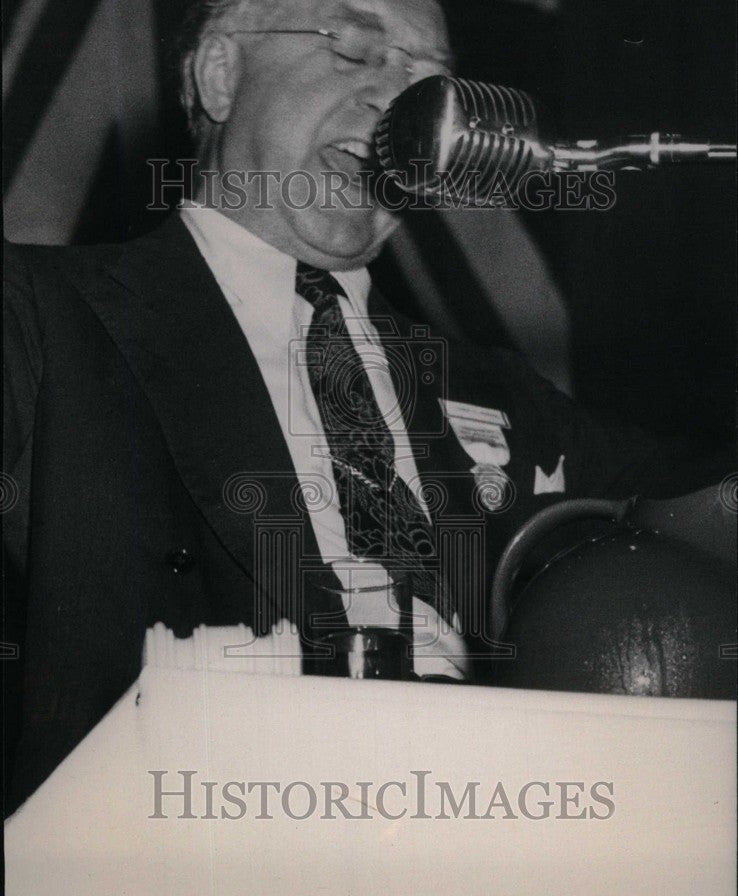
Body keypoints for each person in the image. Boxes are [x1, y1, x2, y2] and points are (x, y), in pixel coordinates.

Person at [3, 0, 729, 812]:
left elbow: (708, 501)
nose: (399, 100)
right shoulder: (41, 316)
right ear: (218, 74)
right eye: (353, 51)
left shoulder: (494, 388)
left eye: (430, 79)